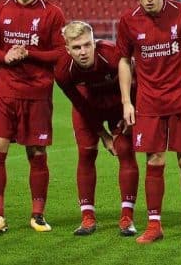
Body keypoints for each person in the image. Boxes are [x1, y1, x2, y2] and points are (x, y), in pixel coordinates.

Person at [117, 0, 181, 244]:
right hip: (149, 104)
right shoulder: (128, 21)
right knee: (154, 161)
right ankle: (154, 224)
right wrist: (126, 101)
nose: (148, 0)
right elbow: (123, 61)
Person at [0, 0, 66, 235]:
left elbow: (60, 53)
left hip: (37, 94)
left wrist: (30, 53)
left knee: (37, 154)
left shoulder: (53, 13)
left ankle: (38, 216)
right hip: (4, 93)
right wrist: (6, 56)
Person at [54, 21, 139, 236]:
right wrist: (102, 135)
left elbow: (137, 84)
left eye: (86, 45)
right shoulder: (63, 71)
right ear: (67, 49)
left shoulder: (111, 55)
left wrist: (129, 115)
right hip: (87, 109)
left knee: (126, 152)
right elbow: (80, 104)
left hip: (119, 105)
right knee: (86, 154)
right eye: (76, 47)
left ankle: (127, 218)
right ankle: (87, 218)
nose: (83, 52)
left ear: (94, 42)